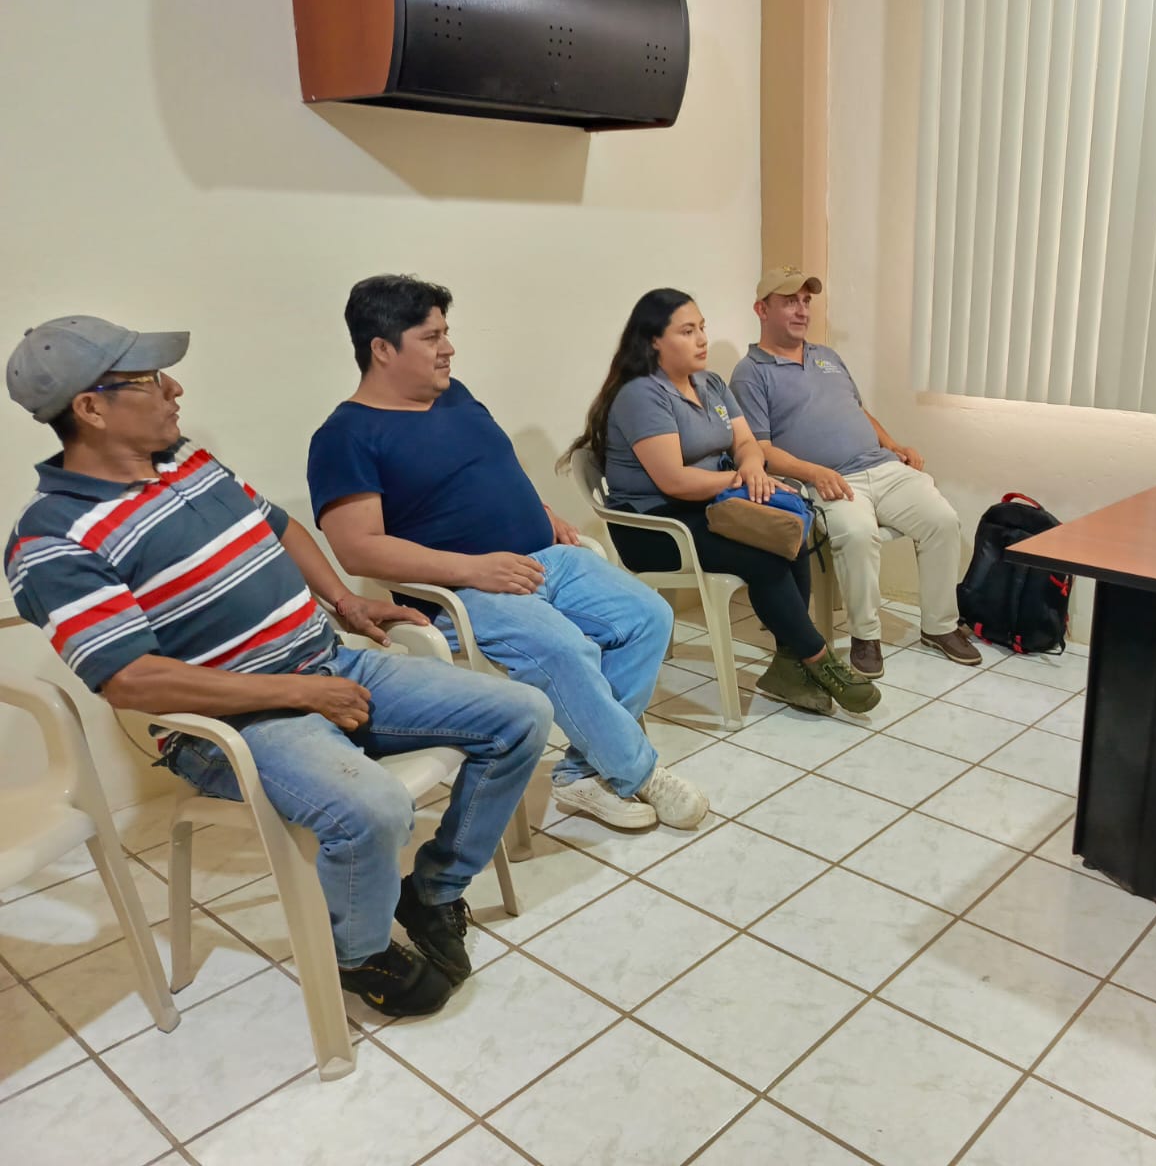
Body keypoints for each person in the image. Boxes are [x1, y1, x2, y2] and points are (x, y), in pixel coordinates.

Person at [4, 315, 552, 1016]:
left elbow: (280, 527)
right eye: (151, 380)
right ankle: (359, 954)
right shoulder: (52, 539)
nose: (175, 389)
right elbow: (131, 680)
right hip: (232, 725)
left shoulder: (189, 462)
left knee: (521, 715)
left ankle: (433, 890)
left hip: (326, 664)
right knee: (373, 809)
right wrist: (301, 693)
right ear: (91, 407)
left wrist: (344, 601)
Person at [308, 275, 707, 832]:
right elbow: (358, 550)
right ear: (382, 348)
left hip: (541, 557)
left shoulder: (456, 395)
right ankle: (641, 773)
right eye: (431, 337)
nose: (449, 348)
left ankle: (582, 773)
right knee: (563, 648)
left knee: (649, 616)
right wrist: (474, 569)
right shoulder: (345, 436)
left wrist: (540, 510)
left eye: (446, 333)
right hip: (460, 592)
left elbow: (493, 469)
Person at [563, 287, 881, 717]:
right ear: (653, 341)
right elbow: (674, 481)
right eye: (687, 331)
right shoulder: (642, 395)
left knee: (791, 529)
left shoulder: (710, 384)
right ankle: (819, 661)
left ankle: (789, 664)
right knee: (765, 558)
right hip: (655, 526)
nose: (701, 339)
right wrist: (740, 478)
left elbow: (747, 442)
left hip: (709, 507)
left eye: (702, 328)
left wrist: (753, 470)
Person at [729, 267, 980, 680]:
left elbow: (858, 411)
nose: (802, 310)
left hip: (880, 466)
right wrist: (814, 472)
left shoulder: (828, 357)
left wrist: (894, 445)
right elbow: (759, 449)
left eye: (806, 301)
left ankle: (939, 625)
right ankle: (865, 636)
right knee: (858, 534)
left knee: (942, 521)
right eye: (790, 302)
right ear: (762, 309)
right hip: (825, 480)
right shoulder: (751, 372)